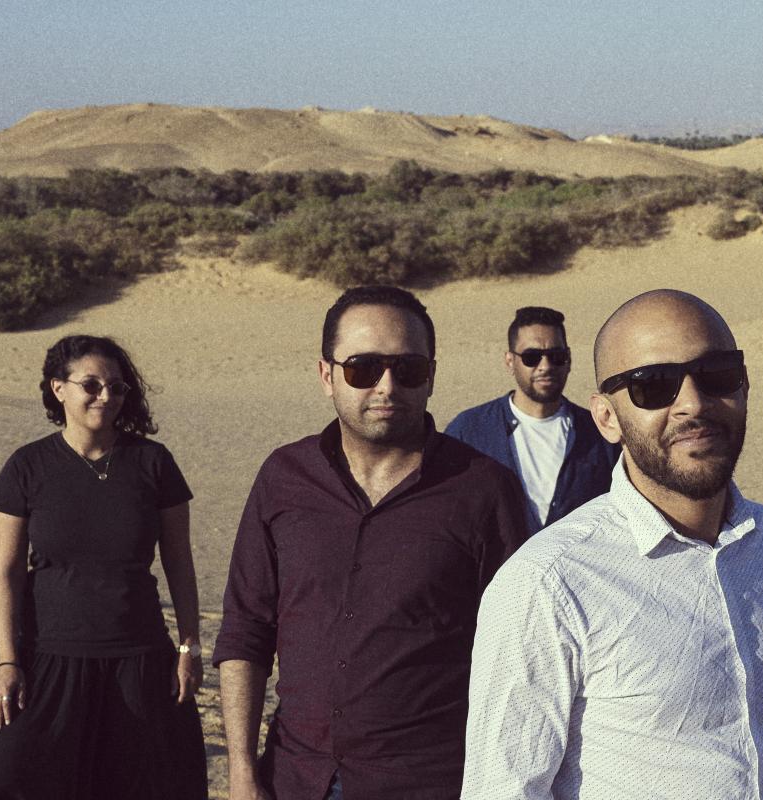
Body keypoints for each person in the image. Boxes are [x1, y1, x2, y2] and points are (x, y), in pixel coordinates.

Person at [462, 289, 763, 800]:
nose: (693, 404)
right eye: (653, 385)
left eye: (717, 375)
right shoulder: (546, 582)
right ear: (606, 418)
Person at [213, 285, 530, 800]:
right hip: (295, 778)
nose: (386, 386)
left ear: (431, 376)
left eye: (408, 370)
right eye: (363, 368)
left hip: (430, 782)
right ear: (326, 375)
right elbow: (246, 630)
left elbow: (519, 655)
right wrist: (243, 772)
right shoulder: (283, 478)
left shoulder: (483, 489)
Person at [0, 335, 207, 799]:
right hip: (47, 659)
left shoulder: (153, 462)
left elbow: (179, 563)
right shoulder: (28, 466)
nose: (106, 396)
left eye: (118, 388)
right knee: (9, 781)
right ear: (58, 388)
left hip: (141, 660)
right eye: (92, 384)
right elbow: (4, 573)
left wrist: (188, 650)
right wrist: (7, 661)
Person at [446, 306, 619, 534]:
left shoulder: (601, 432)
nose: (545, 366)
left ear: (568, 360)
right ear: (510, 361)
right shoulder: (469, 431)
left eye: (556, 357)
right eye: (531, 357)